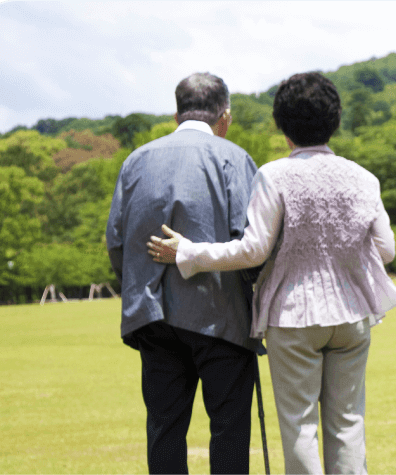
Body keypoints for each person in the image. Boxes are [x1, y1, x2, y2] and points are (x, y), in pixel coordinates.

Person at [147, 71, 396, 474]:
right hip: (353, 314)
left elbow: (253, 250)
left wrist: (191, 252)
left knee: (300, 426)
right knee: (348, 423)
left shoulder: (275, 175)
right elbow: (386, 250)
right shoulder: (364, 178)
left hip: (294, 315)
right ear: (335, 121)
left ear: (283, 126)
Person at [106, 72, 262, 474]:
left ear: (176, 114)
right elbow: (251, 241)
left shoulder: (136, 160)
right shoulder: (232, 157)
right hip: (221, 316)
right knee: (228, 431)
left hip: (153, 315)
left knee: (164, 430)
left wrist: (141, 285)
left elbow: (116, 243)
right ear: (224, 115)